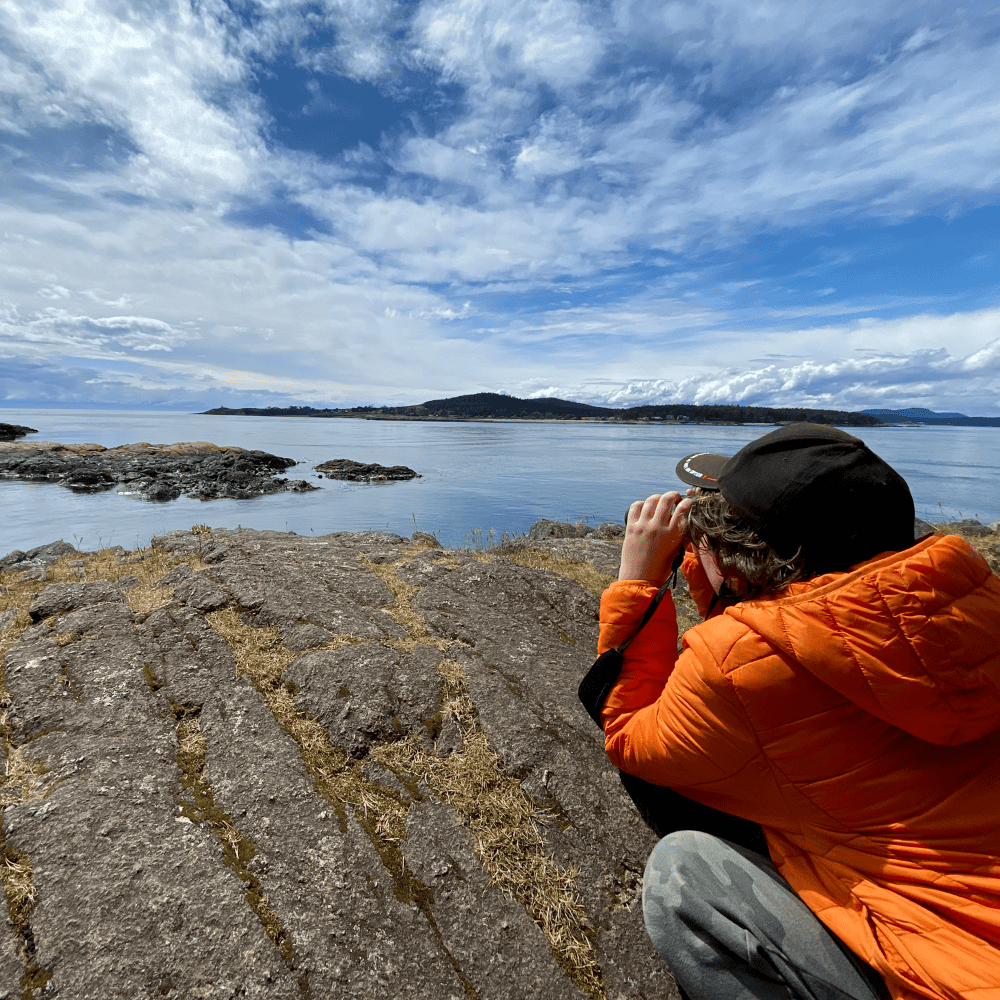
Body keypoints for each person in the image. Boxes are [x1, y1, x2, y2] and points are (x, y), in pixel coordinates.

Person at [578, 423, 1000, 1000]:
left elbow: (629, 735)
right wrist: (726, 575)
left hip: (942, 972)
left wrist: (638, 583)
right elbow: (803, 628)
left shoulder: (740, 665)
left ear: (742, 555)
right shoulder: (968, 606)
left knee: (682, 874)